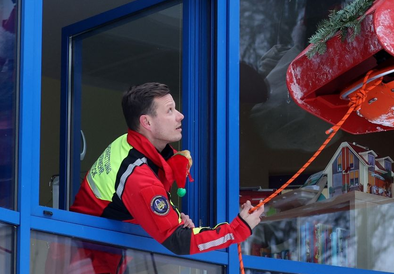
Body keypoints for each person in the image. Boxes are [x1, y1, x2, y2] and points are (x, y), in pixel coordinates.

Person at [71, 82, 264, 253]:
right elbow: (179, 242)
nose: (180, 116)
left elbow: (128, 206)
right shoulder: (138, 176)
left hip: (94, 259)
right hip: (87, 270)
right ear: (146, 122)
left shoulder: (128, 144)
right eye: (170, 110)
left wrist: (172, 217)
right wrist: (240, 228)